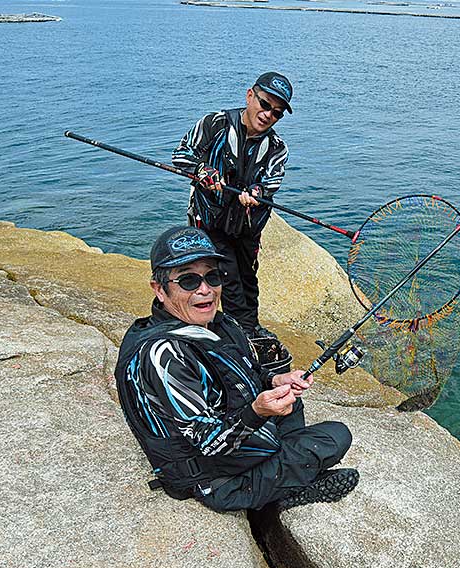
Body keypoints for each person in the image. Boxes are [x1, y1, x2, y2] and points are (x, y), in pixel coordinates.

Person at [114, 225, 359, 511]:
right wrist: (257, 412)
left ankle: (280, 470)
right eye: (188, 281)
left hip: (235, 434)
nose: (204, 289)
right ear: (159, 289)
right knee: (335, 437)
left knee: (294, 406)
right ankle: (275, 492)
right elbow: (207, 443)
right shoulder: (165, 354)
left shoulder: (220, 324)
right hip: (213, 475)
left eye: (212, 276)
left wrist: (276, 379)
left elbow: (243, 373)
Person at [172, 72, 293, 343]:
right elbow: (181, 155)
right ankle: (241, 336)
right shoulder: (214, 124)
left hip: (248, 226)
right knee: (228, 278)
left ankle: (249, 328)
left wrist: (256, 193)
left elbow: (271, 181)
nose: (267, 115)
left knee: (248, 278)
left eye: (276, 113)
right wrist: (202, 170)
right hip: (211, 221)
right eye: (264, 105)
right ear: (250, 95)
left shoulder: (277, 147)